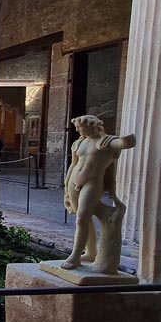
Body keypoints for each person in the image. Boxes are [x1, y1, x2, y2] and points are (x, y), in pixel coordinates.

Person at [61, 114, 136, 271]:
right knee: (82, 220)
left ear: (93, 126)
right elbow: (73, 165)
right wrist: (66, 185)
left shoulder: (106, 142)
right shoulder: (79, 143)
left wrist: (129, 136)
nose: (78, 130)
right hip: (74, 182)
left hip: (92, 183)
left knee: (82, 217)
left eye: (81, 127)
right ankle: (90, 252)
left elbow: (126, 143)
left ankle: (74, 256)